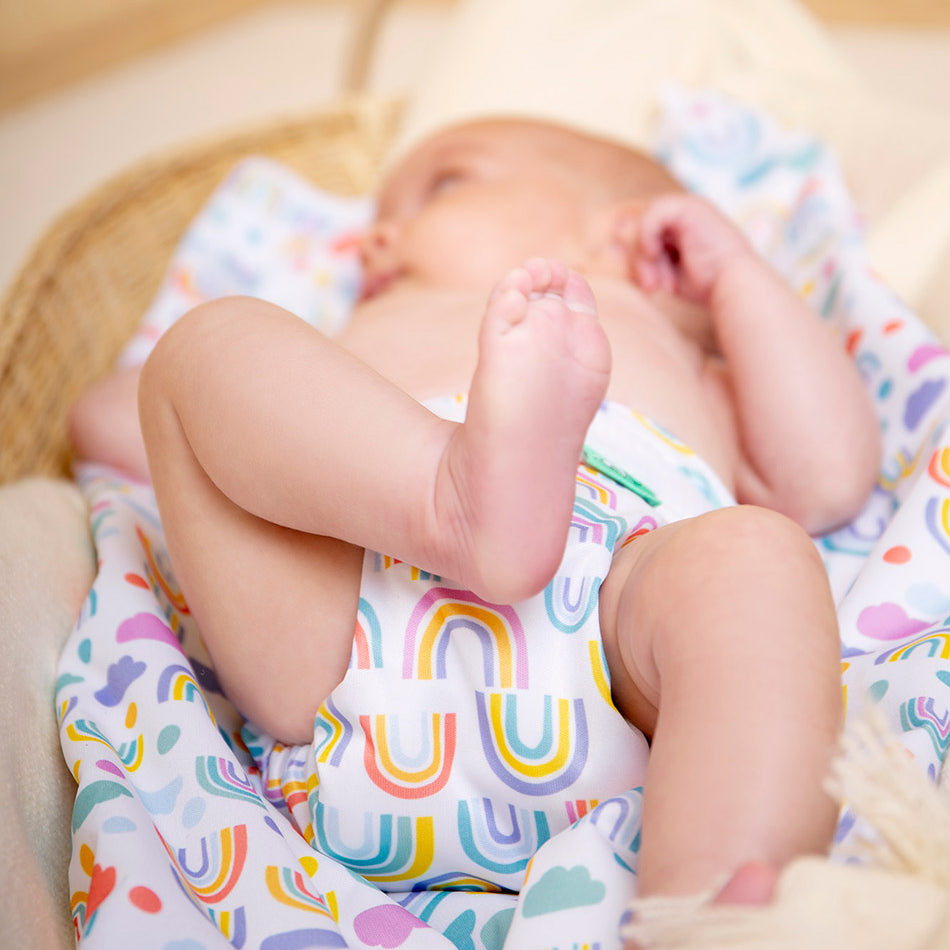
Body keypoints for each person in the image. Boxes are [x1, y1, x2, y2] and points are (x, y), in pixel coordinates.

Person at [69, 118, 881, 911]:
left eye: (442, 185)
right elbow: (110, 423)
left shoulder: (679, 350)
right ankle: (446, 495)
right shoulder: (341, 341)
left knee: (754, 557)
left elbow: (827, 476)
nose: (372, 241)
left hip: (614, 630)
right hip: (338, 655)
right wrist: (235, 383)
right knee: (202, 347)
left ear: (628, 238)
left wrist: (735, 275)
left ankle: (715, 909)